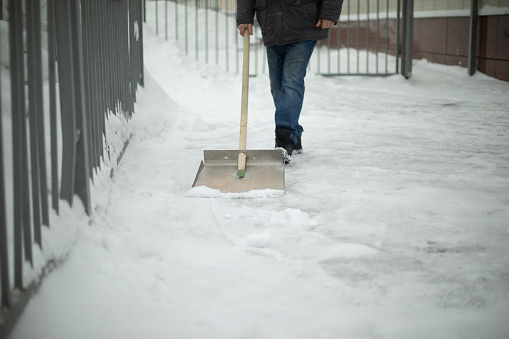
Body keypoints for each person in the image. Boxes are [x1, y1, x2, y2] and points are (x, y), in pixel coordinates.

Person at [237, 0, 343, 158]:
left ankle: (284, 138)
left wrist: (328, 13)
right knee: (277, 86)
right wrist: (244, 17)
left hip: (303, 24)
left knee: (292, 81)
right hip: (272, 25)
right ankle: (294, 134)